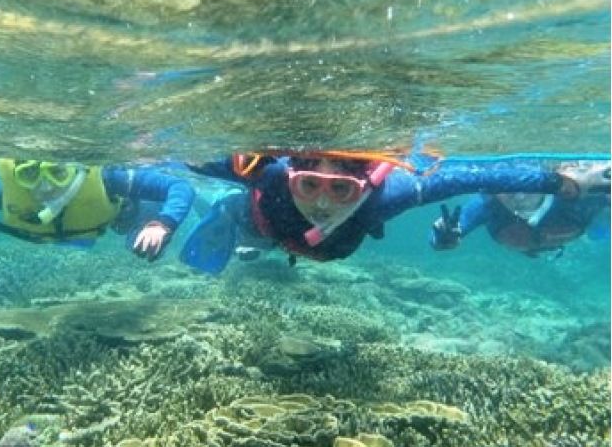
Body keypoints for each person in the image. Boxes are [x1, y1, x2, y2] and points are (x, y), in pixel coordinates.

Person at [180, 150, 610, 273]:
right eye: (309, 185)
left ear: (363, 186)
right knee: (249, 230)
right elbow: (191, 156)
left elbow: (475, 175)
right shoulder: (271, 175)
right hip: (262, 227)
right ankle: (224, 212)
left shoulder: (387, 195)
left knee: (270, 242)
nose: (323, 203)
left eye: (342, 190)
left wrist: (562, 182)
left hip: (302, 243)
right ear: (292, 176)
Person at [0, 158, 195, 261]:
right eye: (30, 174)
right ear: (16, 174)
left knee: (139, 238)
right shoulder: (0, 189)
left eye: (57, 172)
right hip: (79, 231)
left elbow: (179, 187)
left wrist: (163, 224)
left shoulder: (108, 177)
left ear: (76, 168)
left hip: (120, 216)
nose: (45, 187)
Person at [429, 182, 610, 257]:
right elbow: (447, 233)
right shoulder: (489, 204)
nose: (520, 196)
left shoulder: (576, 196)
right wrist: (443, 237)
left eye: (527, 184)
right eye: (508, 186)